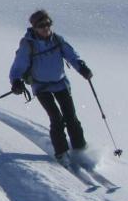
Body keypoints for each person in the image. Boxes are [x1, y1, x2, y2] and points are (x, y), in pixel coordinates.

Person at [9, 10, 93, 162]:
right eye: (41, 25)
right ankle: (61, 153)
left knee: (71, 117)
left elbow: (72, 55)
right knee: (56, 118)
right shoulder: (28, 44)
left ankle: (80, 149)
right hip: (41, 87)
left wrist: (82, 68)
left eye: (48, 24)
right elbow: (19, 65)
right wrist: (15, 81)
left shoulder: (57, 40)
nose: (46, 28)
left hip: (61, 84)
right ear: (34, 27)